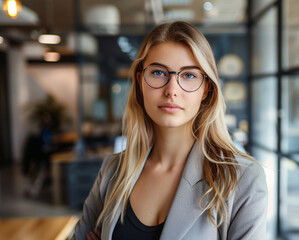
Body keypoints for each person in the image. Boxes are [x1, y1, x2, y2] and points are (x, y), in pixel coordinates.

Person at [73, 21, 267, 240]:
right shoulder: (112, 171)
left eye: (189, 75)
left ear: (206, 89)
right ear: (140, 82)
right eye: (158, 72)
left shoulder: (243, 180)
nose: (172, 90)